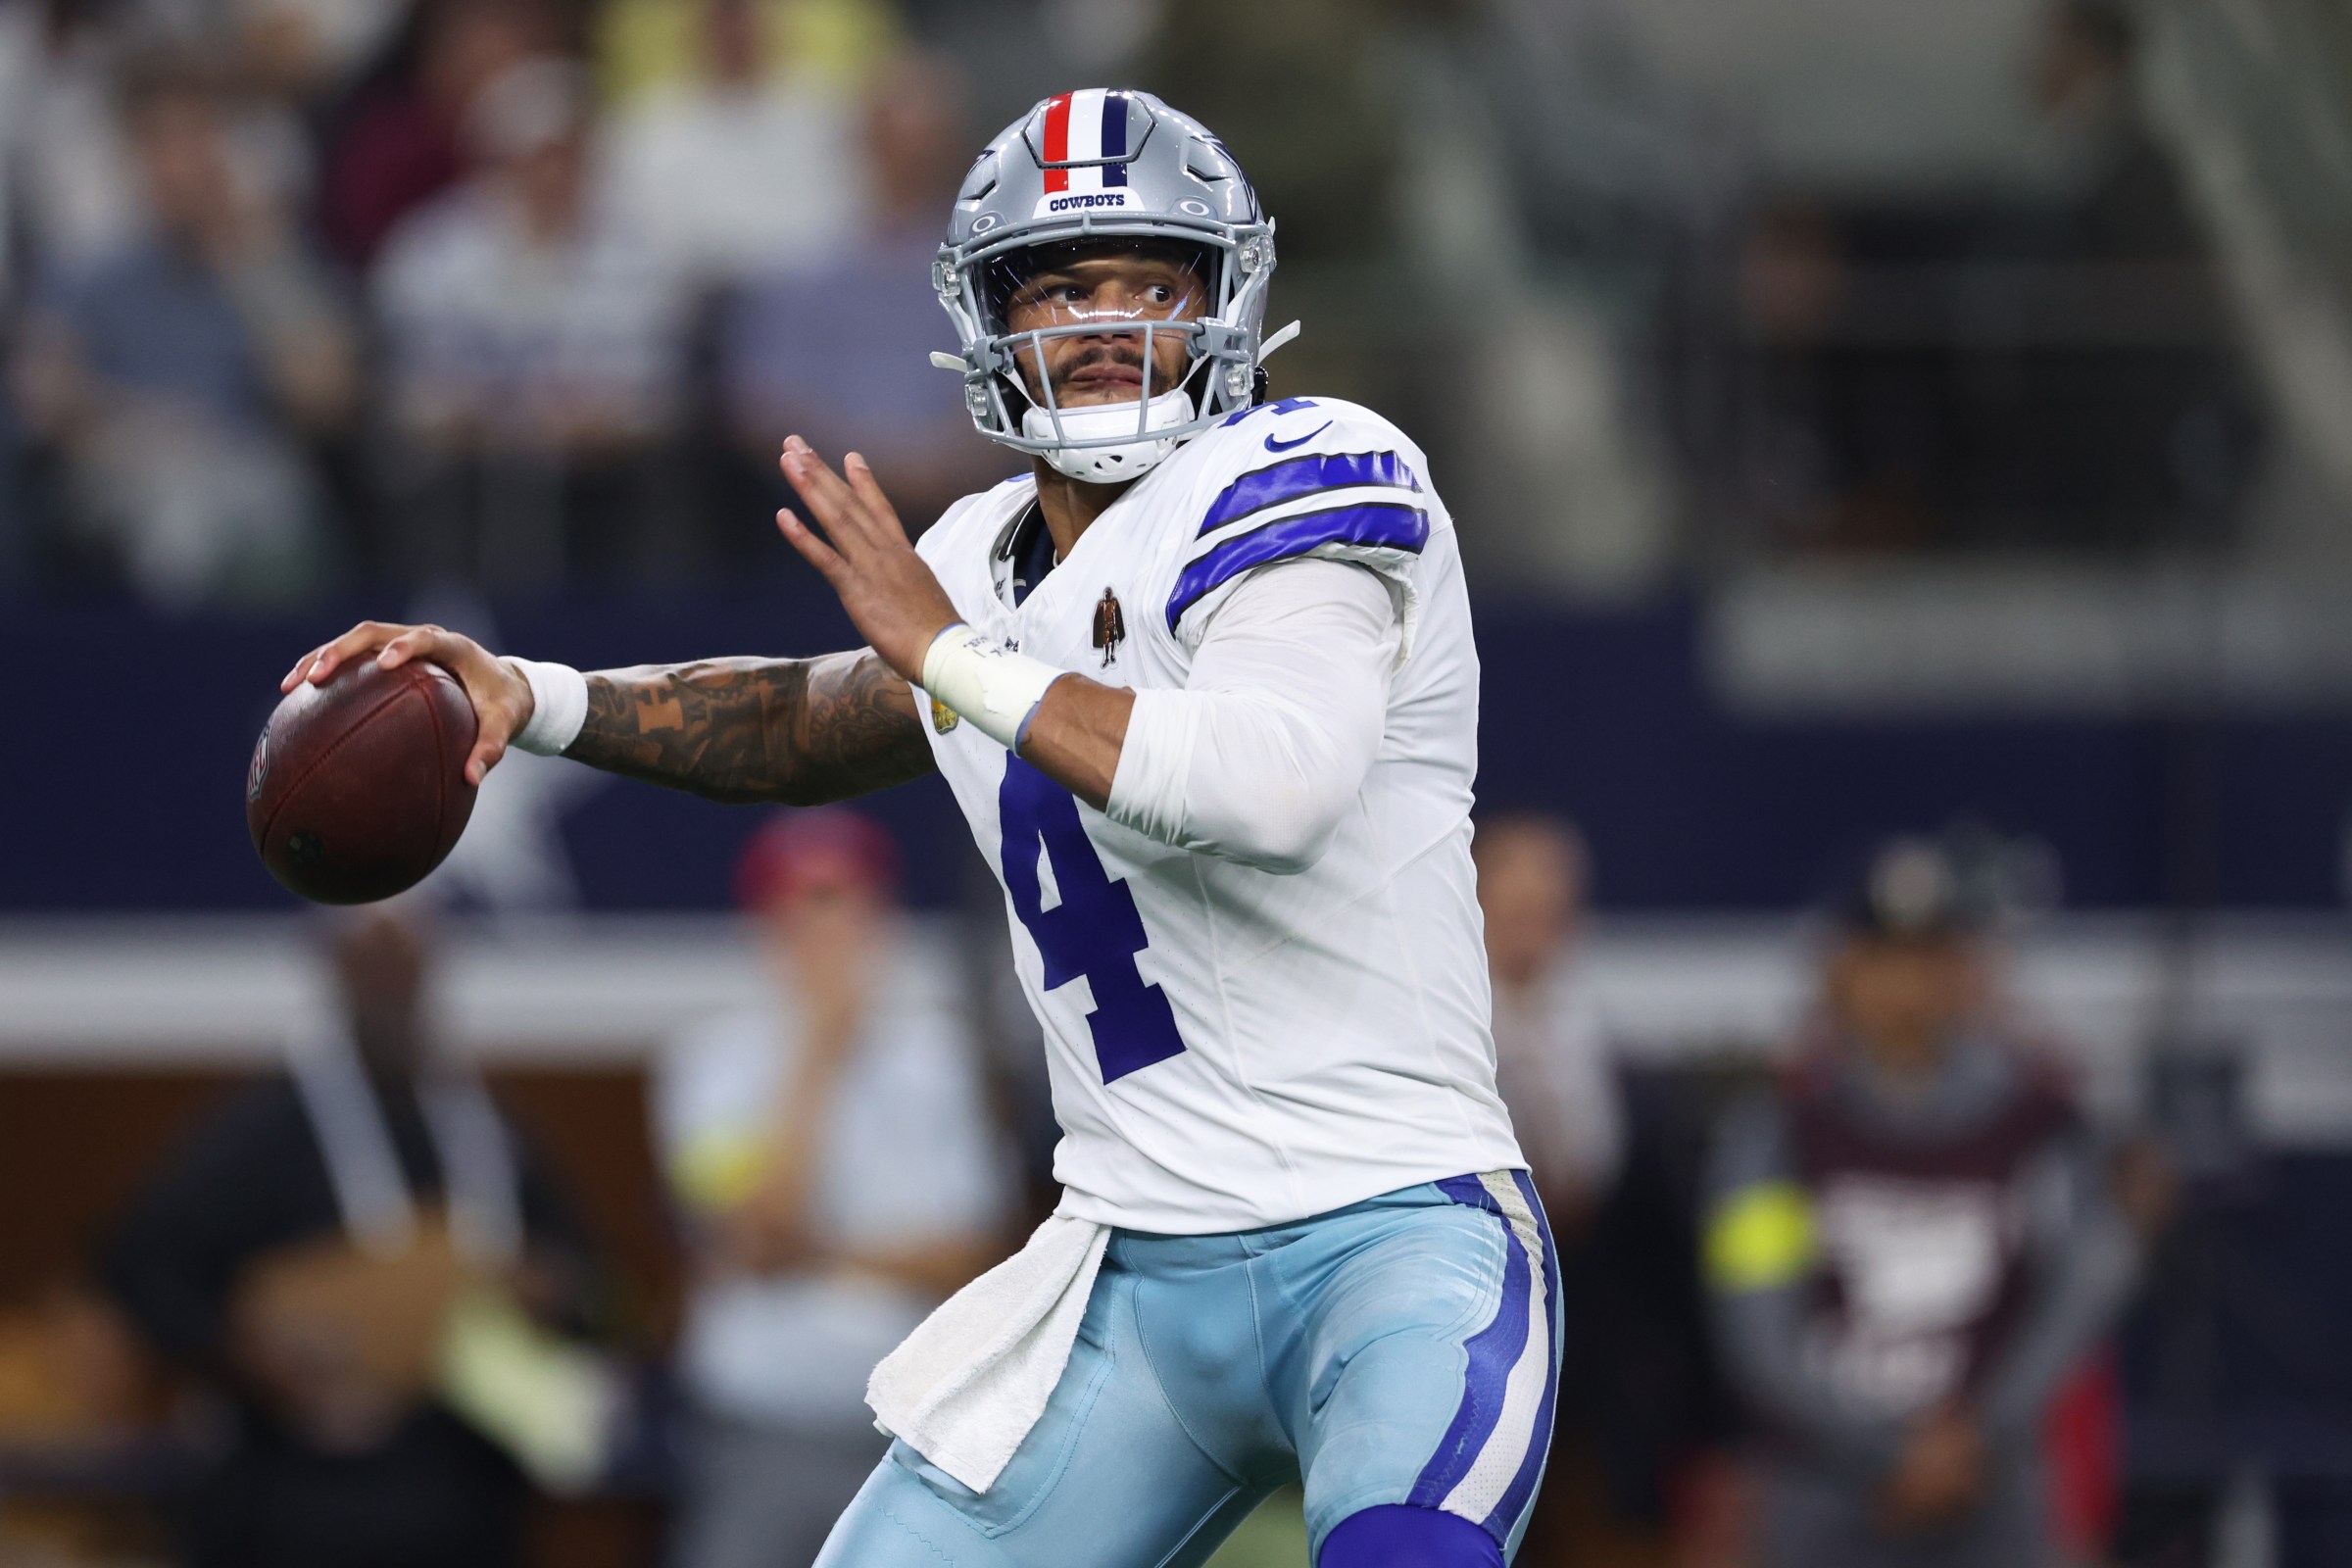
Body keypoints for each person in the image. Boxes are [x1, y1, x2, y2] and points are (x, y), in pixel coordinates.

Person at [285, 87, 1552, 1568]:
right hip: (1132, 1275)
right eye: (1064, 287)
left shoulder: (1313, 475)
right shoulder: (975, 561)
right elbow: (805, 720)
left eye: (1153, 283)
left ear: (1228, 305)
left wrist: (947, 652)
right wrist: (539, 698)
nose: (1107, 323)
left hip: (1392, 1234)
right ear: (988, 317)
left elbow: (1266, 788)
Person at [98, 906, 610, 1568]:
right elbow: (139, 1266)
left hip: (460, 1484)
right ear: (334, 974)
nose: (391, 990)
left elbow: (593, 1281)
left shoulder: (485, 1130)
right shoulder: (261, 1133)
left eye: (407, 968)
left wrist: (548, 1289)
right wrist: (244, 1350)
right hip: (297, 1488)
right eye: (372, 968)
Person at [1700, 838, 2139, 1568]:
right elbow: (1758, 1336)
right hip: (1825, 1501)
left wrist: (1972, 1438)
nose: (1908, 987)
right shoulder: (1775, 1142)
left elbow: (2079, 1296)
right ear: (1842, 973)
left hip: (1992, 1499)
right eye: (1886, 960)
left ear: (1965, 974)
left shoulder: (2036, 1132)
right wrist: (1888, 1452)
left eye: (1931, 960)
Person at [657, 808, 1012, 1568]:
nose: (832, 934)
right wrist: (818, 1052)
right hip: (760, 1431)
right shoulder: (709, 1066)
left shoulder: (939, 1056)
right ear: (769, 926)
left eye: (848, 903)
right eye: (806, 907)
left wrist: (819, 1254)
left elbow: (969, 1260)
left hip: (910, 1440)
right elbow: (757, 1234)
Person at [12, 59, 353, 603]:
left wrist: (245, 263)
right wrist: (125, 417)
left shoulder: (269, 260)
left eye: (200, 138)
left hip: (249, 465)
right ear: (136, 158)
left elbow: (325, 398)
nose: (182, 162)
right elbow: (42, 402)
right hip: (130, 463)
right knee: (182, 517)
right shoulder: (92, 269)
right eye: (162, 143)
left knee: (277, 509)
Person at [371, 55, 692, 583]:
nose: (553, 174)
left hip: (604, 471)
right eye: (536, 156)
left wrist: (602, 420)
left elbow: (662, 398)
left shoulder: (643, 254)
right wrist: (500, 418)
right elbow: (411, 397)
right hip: (468, 474)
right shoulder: (432, 254)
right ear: (498, 161)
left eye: (569, 156)